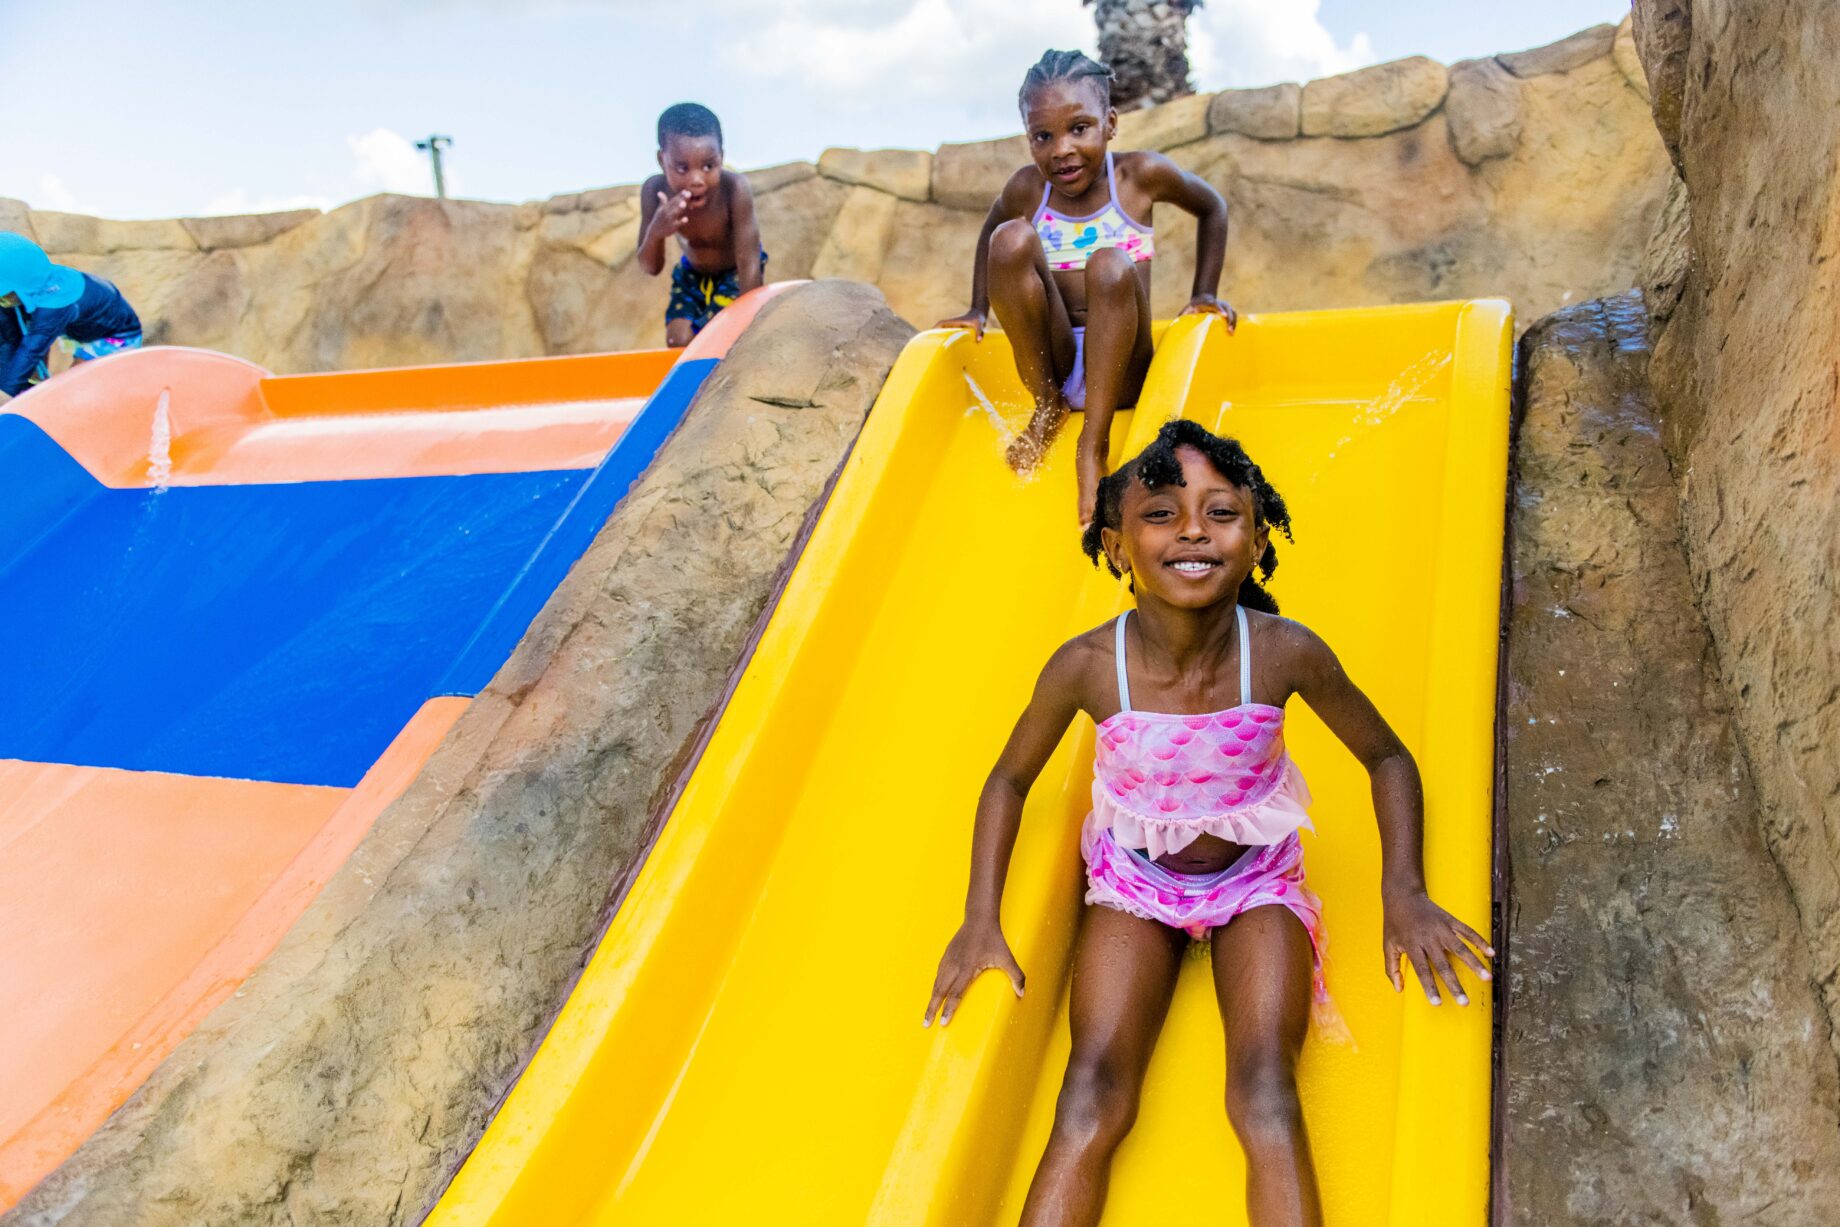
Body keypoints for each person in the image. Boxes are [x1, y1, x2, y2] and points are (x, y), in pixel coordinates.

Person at [923, 420, 1492, 1226]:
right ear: (1117, 545)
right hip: (1135, 885)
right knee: (1091, 1091)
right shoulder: (1088, 665)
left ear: (1258, 538)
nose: (1192, 528)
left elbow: (1389, 757)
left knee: (1265, 1090)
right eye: (1160, 513)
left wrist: (1405, 890)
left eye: (1220, 512)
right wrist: (980, 918)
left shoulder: (1284, 652)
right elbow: (1009, 779)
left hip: (1255, 880)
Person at [937, 50, 1235, 529]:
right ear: (1029, 139)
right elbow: (990, 235)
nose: (1062, 150)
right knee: (1010, 239)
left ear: (1110, 123)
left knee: (1110, 265)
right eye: (1043, 136)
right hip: (1052, 359)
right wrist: (977, 309)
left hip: (1122, 369)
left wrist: (1204, 292)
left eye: (1080, 128)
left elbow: (1212, 207)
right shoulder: (1027, 190)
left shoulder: (1140, 176)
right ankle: (1047, 407)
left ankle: (1091, 445)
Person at [637, 103, 765, 347]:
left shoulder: (734, 189)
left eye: (709, 166)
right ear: (661, 160)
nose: (697, 180)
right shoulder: (654, 191)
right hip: (691, 274)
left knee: (720, 339)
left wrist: (750, 327)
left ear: (722, 157)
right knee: (678, 341)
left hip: (735, 275)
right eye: (682, 167)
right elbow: (650, 266)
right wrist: (656, 232)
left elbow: (749, 263)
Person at [0, 233, 142, 400]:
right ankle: (37, 391)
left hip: (114, 336)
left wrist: (6, 395)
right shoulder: (31, 284)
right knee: (23, 361)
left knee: (74, 387)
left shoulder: (56, 302)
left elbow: (31, 350)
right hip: (77, 326)